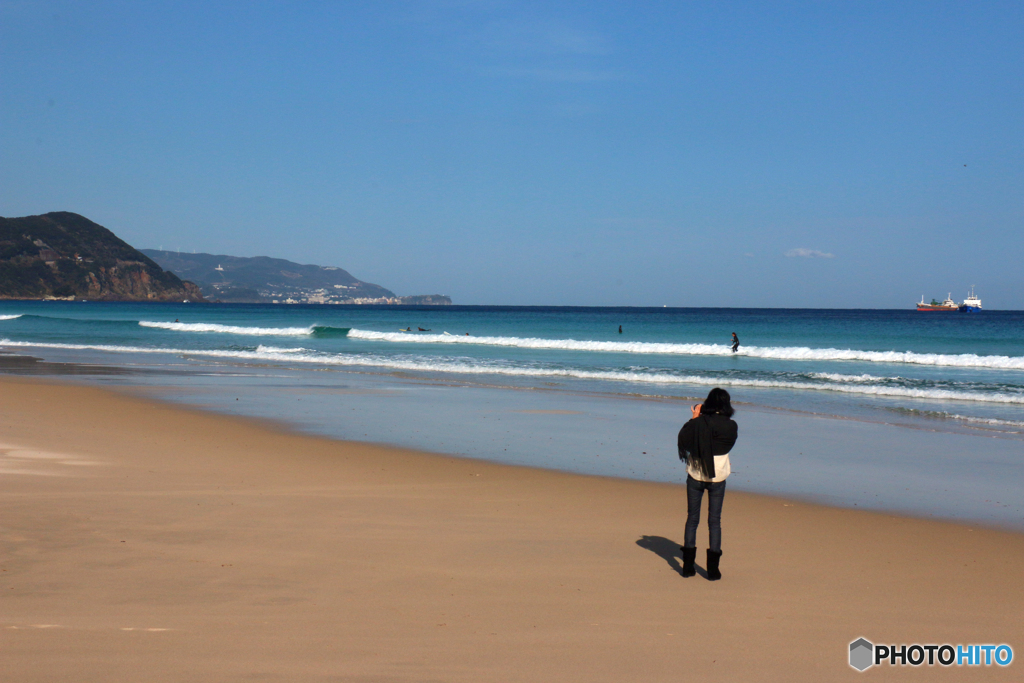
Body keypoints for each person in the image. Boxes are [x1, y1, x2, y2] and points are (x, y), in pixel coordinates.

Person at [677, 387, 738, 580]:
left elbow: (684, 439)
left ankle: (688, 567)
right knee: (714, 521)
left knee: (692, 518)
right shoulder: (731, 425)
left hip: (695, 473)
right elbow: (726, 445)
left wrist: (695, 418)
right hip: (718, 476)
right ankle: (713, 570)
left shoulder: (699, 423)